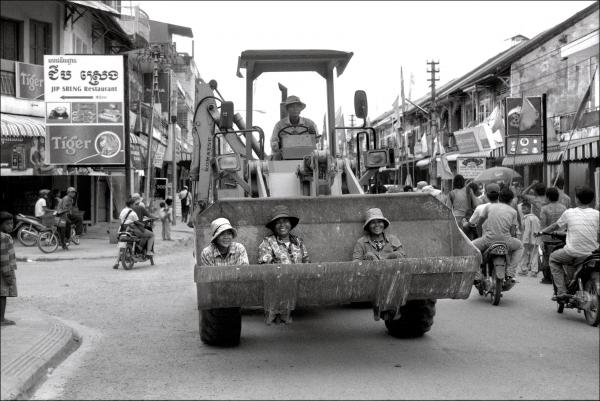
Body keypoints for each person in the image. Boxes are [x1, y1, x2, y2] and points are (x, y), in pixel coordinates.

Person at [538, 186, 599, 301]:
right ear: (591, 200)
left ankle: (562, 291)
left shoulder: (569, 212)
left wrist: (541, 232)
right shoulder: (597, 214)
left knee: (553, 258)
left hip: (572, 251)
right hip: (592, 253)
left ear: (577, 199)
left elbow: (555, 226)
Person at [199, 217, 248, 346]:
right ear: (215, 237)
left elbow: (243, 272)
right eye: (222, 234)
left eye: (229, 233)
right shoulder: (207, 252)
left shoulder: (239, 248)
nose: (226, 237)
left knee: (232, 317)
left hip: (234, 290)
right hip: (214, 292)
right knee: (212, 316)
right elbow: (209, 279)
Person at [472, 187, 524, 283]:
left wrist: (480, 236)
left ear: (499, 197)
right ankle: (511, 272)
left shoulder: (489, 207)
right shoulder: (513, 211)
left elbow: (478, 224)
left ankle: (477, 274)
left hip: (488, 240)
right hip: (506, 241)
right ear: (511, 200)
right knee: (520, 246)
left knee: (471, 247)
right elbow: (512, 232)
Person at [271, 95, 319, 160]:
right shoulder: (279, 125)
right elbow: (274, 143)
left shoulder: (310, 124)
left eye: (297, 107)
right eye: (292, 107)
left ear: (300, 110)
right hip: (285, 157)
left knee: (317, 157)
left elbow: (317, 140)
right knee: (275, 157)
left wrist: (313, 135)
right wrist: (278, 144)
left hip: (306, 157)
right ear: (287, 109)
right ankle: (276, 169)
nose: (295, 109)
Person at [538, 187, 568, 284]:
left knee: (547, 257)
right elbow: (566, 223)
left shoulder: (544, 209)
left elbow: (543, 225)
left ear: (547, 197)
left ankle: (547, 278)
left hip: (548, 238)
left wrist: (541, 239)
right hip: (561, 237)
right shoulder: (564, 208)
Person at [1, 212, 18, 326]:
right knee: (2, 295)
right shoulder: (4, 238)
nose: (11, 226)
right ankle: (1, 319)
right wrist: (8, 275)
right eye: (8, 224)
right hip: (4, 271)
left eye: (12, 223)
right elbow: (4, 258)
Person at [518, 201, 541, 277]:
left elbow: (527, 230)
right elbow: (538, 228)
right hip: (535, 239)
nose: (522, 211)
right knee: (534, 255)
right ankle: (534, 271)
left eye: (524, 209)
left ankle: (524, 270)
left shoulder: (526, 218)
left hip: (527, 240)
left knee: (524, 255)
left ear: (529, 209)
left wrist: (524, 240)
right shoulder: (536, 218)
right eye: (522, 209)